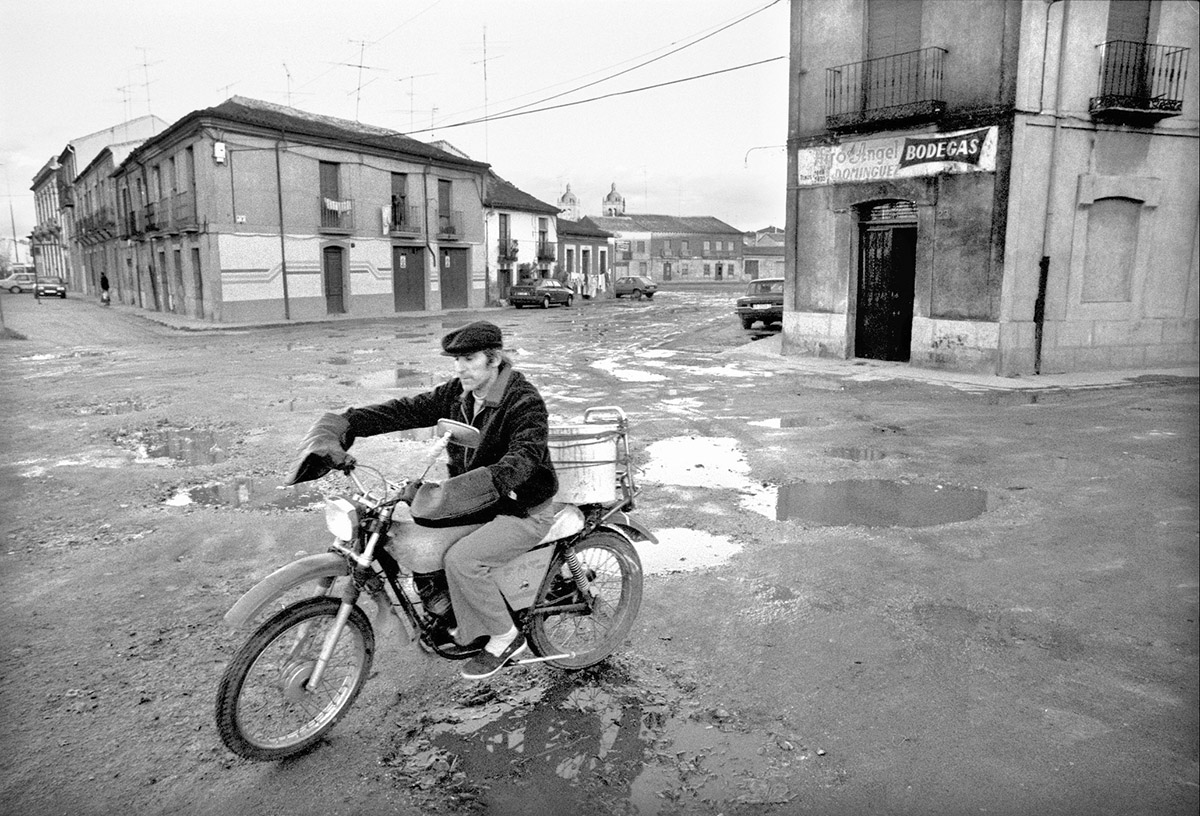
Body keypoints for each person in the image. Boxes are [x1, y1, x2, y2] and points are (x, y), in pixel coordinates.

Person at [300, 321, 558, 680]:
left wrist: (442, 495)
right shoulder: (457, 394)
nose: (460, 368)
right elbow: (403, 410)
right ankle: (452, 614)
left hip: (521, 506)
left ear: (494, 358)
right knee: (413, 534)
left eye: (469, 359)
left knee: (462, 560)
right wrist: (345, 423)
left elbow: (521, 462)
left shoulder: (524, 402)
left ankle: (506, 637)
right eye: (456, 360)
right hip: (478, 501)